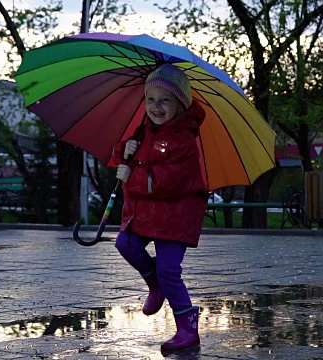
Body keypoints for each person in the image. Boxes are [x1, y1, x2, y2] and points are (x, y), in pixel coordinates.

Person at [111, 63, 207, 351]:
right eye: (151, 99)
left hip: (177, 216)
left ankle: (187, 329)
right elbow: (134, 158)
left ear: (179, 103)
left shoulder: (182, 139)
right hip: (151, 213)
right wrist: (123, 150)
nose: (156, 106)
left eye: (165, 100)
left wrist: (131, 175)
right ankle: (155, 284)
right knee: (125, 242)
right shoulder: (145, 130)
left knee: (169, 269)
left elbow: (166, 182)